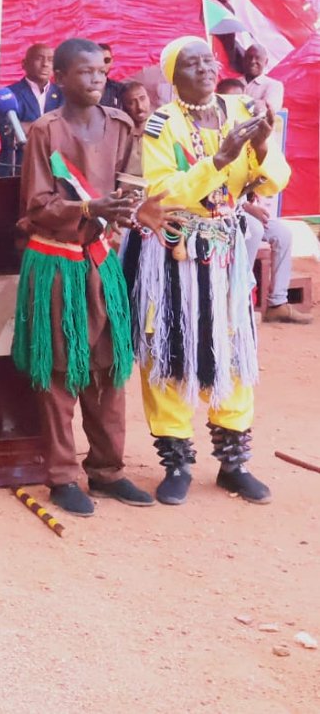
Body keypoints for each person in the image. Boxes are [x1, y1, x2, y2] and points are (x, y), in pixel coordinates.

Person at [121, 36, 290, 506]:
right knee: (169, 347)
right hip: (174, 246)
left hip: (225, 250)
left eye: (209, 61)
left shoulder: (242, 110)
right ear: (173, 77)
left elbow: (274, 180)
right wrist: (218, 161)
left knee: (232, 346)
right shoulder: (162, 124)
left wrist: (261, 145)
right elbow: (163, 192)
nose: (206, 69)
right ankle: (176, 464)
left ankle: (234, 464)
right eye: (192, 64)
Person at [11, 38, 158, 516]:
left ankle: (108, 470)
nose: (96, 78)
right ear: (60, 78)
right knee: (59, 370)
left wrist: (126, 211)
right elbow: (37, 204)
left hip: (100, 258)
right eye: (84, 71)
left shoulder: (120, 125)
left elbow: (131, 184)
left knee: (109, 367)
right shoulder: (46, 130)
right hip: (56, 261)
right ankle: (61, 475)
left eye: (100, 71)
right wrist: (90, 207)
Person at [214, 79, 312, 325]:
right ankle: (237, 302)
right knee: (254, 229)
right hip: (219, 212)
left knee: (282, 233)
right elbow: (213, 188)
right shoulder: (214, 135)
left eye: (242, 100)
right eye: (230, 101)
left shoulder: (254, 134)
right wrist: (246, 206)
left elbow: (271, 177)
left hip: (244, 209)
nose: (238, 106)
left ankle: (277, 303)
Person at [0, 43, 63, 177]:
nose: (45, 64)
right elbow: (9, 132)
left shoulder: (64, 94)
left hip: (56, 168)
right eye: (39, 58)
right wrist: (51, 128)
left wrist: (28, 127)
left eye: (50, 60)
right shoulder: (8, 94)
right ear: (24, 64)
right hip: (16, 168)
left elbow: (67, 131)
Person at [241, 44, 284, 113]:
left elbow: (266, 110)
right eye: (249, 57)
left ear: (266, 62)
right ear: (244, 60)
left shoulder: (274, 85)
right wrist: (257, 103)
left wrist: (236, 104)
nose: (252, 61)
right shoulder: (233, 82)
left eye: (257, 58)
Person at [121, 80, 152, 171]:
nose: (140, 107)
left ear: (149, 98)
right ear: (124, 106)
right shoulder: (121, 133)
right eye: (131, 102)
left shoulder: (163, 127)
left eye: (142, 98)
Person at [97, 43, 126, 110]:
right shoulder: (81, 89)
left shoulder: (120, 89)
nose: (102, 64)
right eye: (99, 60)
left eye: (106, 60)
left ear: (111, 61)